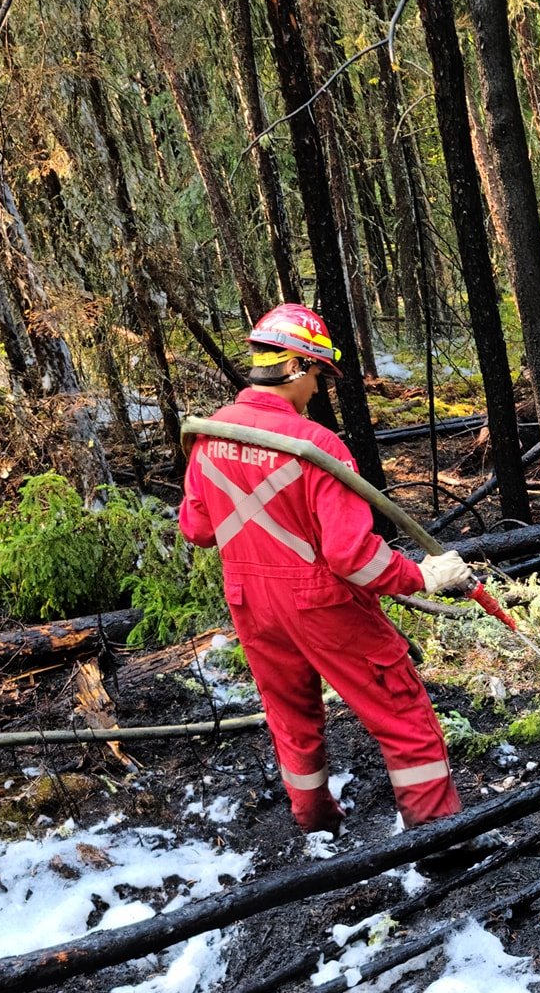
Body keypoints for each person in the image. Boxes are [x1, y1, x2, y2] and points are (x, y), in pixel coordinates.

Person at [179, 303, 473, 836]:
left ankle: (314, 823)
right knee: (401, 709)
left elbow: (198, 530)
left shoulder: (207, 435)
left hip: (251, 602)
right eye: (317, 374)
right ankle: (438, 837)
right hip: (322, 603)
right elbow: (351, 556)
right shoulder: (317, 447)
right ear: (294, 366)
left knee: (290, 713)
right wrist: (422, 578)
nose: (317, 388)